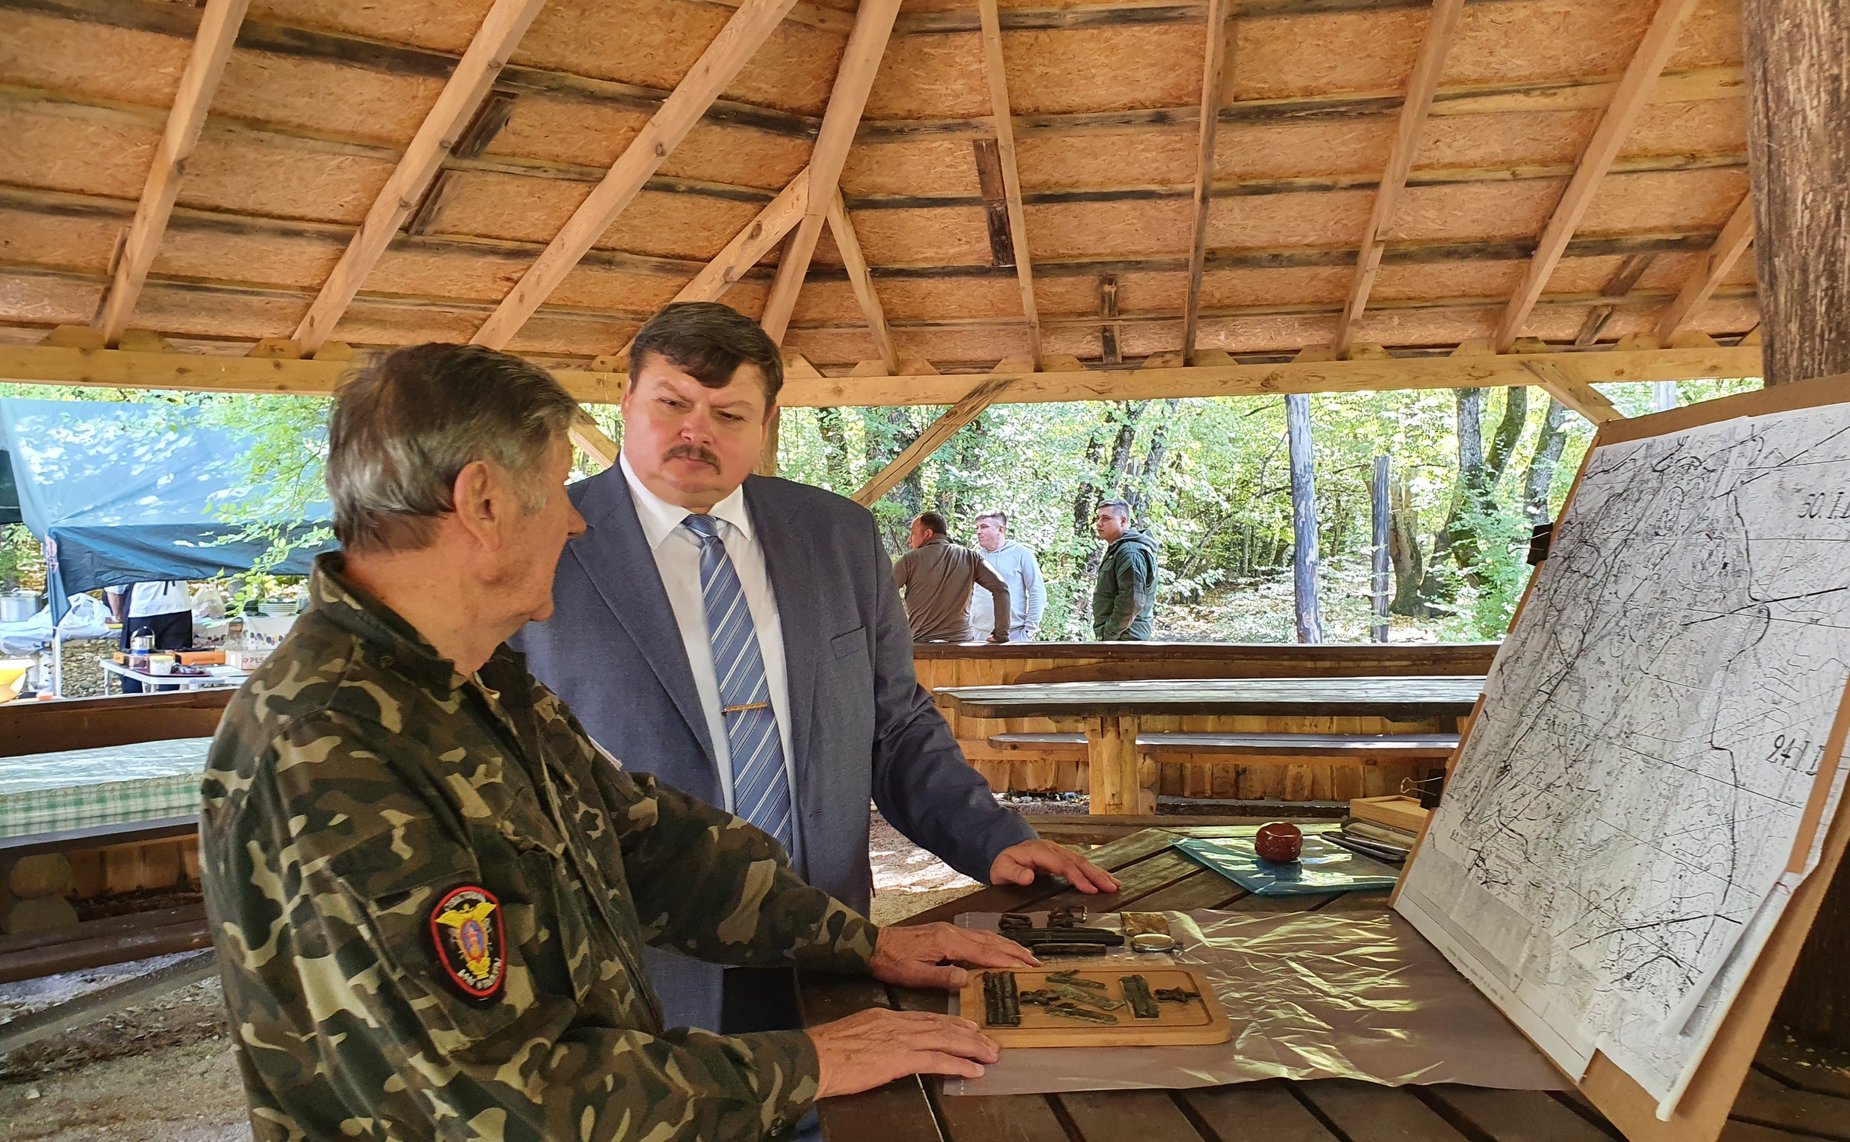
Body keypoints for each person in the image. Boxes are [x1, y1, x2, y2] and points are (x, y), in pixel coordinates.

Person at [199, 343, 1033, 1140]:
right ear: (484, 502)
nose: (574, 520)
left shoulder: (474, 683)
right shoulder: (327, 745)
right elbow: (505, 1104)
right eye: (559, 486)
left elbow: (649, 845)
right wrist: (806, 1063)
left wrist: (868, 942)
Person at [515, 301, 1118, 1037]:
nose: (695, 430)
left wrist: (990, 835)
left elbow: (893, 724)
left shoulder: (837, 535)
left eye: (729, 414)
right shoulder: (537, 541)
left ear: (766, 425)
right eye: (671, 402)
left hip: (830, 941)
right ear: (626, 401)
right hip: (635, 968)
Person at [893, 511, 1009, 643]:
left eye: (913, 533)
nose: (909, 539)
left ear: (928, 534)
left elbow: (883, 594)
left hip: (921, 646)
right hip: (961, 646)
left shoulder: (909, 560)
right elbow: (1001, 588)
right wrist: (1001, 634)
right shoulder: (970, 557)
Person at [965, 511, 1045, 643]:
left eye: (984, 527)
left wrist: (1029, 630)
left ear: (1001, 529)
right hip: (978, 634)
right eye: (977, 528)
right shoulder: (973, 557)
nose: (978, 532)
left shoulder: (1021, 554)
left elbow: (1037, 591)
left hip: (1014, 634)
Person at [103, 579, 191, 693]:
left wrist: (118, 615)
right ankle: (168, 703)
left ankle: (134, 704)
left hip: (143, 610)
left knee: (134, 664)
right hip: (179, 605)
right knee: (172, 663)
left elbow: (114, 587)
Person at [1092, 499, 1158, 640]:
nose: (1098, 523)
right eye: (1098, 518)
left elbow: (1131, 601)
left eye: (1106, 518)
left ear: (1123, 521)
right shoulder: (1119, 550)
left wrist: (1109, 634)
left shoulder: (1130, 552)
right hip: (1121, 639)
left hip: (1126, 640)